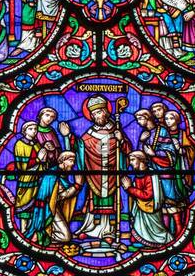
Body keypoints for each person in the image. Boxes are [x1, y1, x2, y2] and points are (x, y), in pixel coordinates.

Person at [72, 96, 128, 242]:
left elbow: (127, 150)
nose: (97, 116)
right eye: (94, 114)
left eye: (99, 112)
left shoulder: (116, 130)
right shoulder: (90, 133)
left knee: (110, 202)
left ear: (106, 112)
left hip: (111, 174)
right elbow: (80, 146)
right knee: (92, 200)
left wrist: (121, 140)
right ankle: (88, 227)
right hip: (94, 173)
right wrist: (69, 137)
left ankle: (107, 230)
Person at [121, 150, 173, 246]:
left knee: (158, 233)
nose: (131, 163)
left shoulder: (150, 174)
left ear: (141, 160)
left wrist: (130, 188)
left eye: (132, 160)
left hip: (151, 207)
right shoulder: (139, 174)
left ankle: (166, 241)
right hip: (141, 206)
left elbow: (147, 195)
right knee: (138, 228)